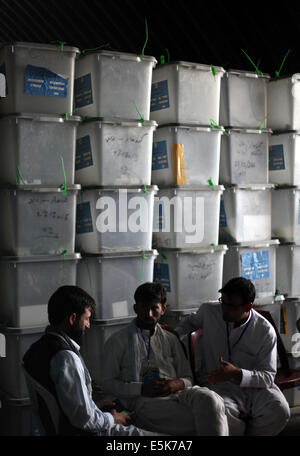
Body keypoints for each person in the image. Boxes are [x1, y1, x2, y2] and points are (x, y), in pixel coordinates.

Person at [23, 285, 156, 436]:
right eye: (86, 319)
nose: (88, 325)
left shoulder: (37, 348)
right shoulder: (66, 358)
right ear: (73, 319)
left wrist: (94, 406)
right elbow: (85, 419)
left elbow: (64, 401)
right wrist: (112, 418)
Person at [101, 282, 229, 436]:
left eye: (154, 308)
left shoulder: (170, 338)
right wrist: (141, 388)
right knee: (206, 419)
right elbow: (107, 384)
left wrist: (177, 383)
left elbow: (188, 378)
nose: (148, 314)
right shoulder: (118, 341)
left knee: (211, 399)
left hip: (178, 393)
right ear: (136, 309)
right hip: (146, 399)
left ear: (163, 309)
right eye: (143, 307)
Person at [172, 277, 291, 436]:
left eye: (231, 305)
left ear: (248, 306)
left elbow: (267, 377)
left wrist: (237, 373)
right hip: (217, 383)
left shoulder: (264, 330)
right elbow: (187, 324)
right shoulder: (209, 311)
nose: (224, 309)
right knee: (220, 417)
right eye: (223, 302)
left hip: (253, 387)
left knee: (280, 410)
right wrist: (170, 340)